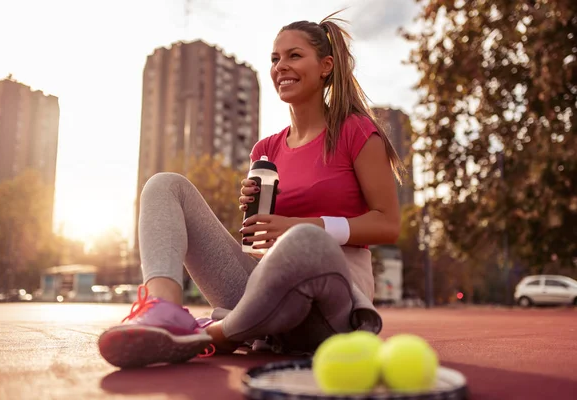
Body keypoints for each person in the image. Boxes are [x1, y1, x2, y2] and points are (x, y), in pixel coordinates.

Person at [98, 11, 404, 369]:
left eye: (294, 56)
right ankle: (165, 311)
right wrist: (257, 219)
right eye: (275, 59)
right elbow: (259, 243)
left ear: (325, 66)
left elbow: (388, 225)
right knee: (165, 185)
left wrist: (300, 226)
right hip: (262, 291)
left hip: (328, 306)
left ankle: (218, 333)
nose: (280, 67)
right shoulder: (265, 151)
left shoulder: (356, 131)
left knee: (306, 240)